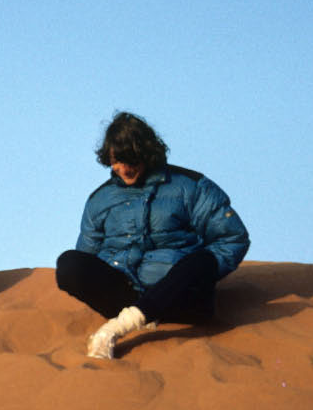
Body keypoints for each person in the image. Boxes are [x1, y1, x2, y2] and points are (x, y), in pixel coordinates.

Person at [55, 112, 249, 360]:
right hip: (123, 296)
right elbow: (87, 256)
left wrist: (196, 275)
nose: (123, 168)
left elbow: (233, 238)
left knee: (204, 260)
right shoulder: (99, 199)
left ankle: (118, 327)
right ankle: (136, 315)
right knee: (69, 263)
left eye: (130, 160)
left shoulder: (191, 186)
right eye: (116, 161)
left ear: (146, 152)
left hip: (180, 299)